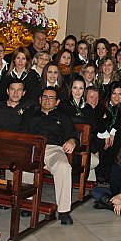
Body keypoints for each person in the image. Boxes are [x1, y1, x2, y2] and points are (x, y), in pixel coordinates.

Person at [23, 86, 78, 225]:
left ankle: (64, 211)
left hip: (54, 149)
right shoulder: (30, 115)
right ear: (40, 99)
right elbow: (22, 133)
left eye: (51, 98)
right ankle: (27, 204)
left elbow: (72, 135)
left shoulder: (63, 117)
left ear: (57, 102)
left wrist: (72, 141)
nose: (47, 100)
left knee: (64, 167)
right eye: (45, 97)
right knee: (24, 164)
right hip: (34, 148)